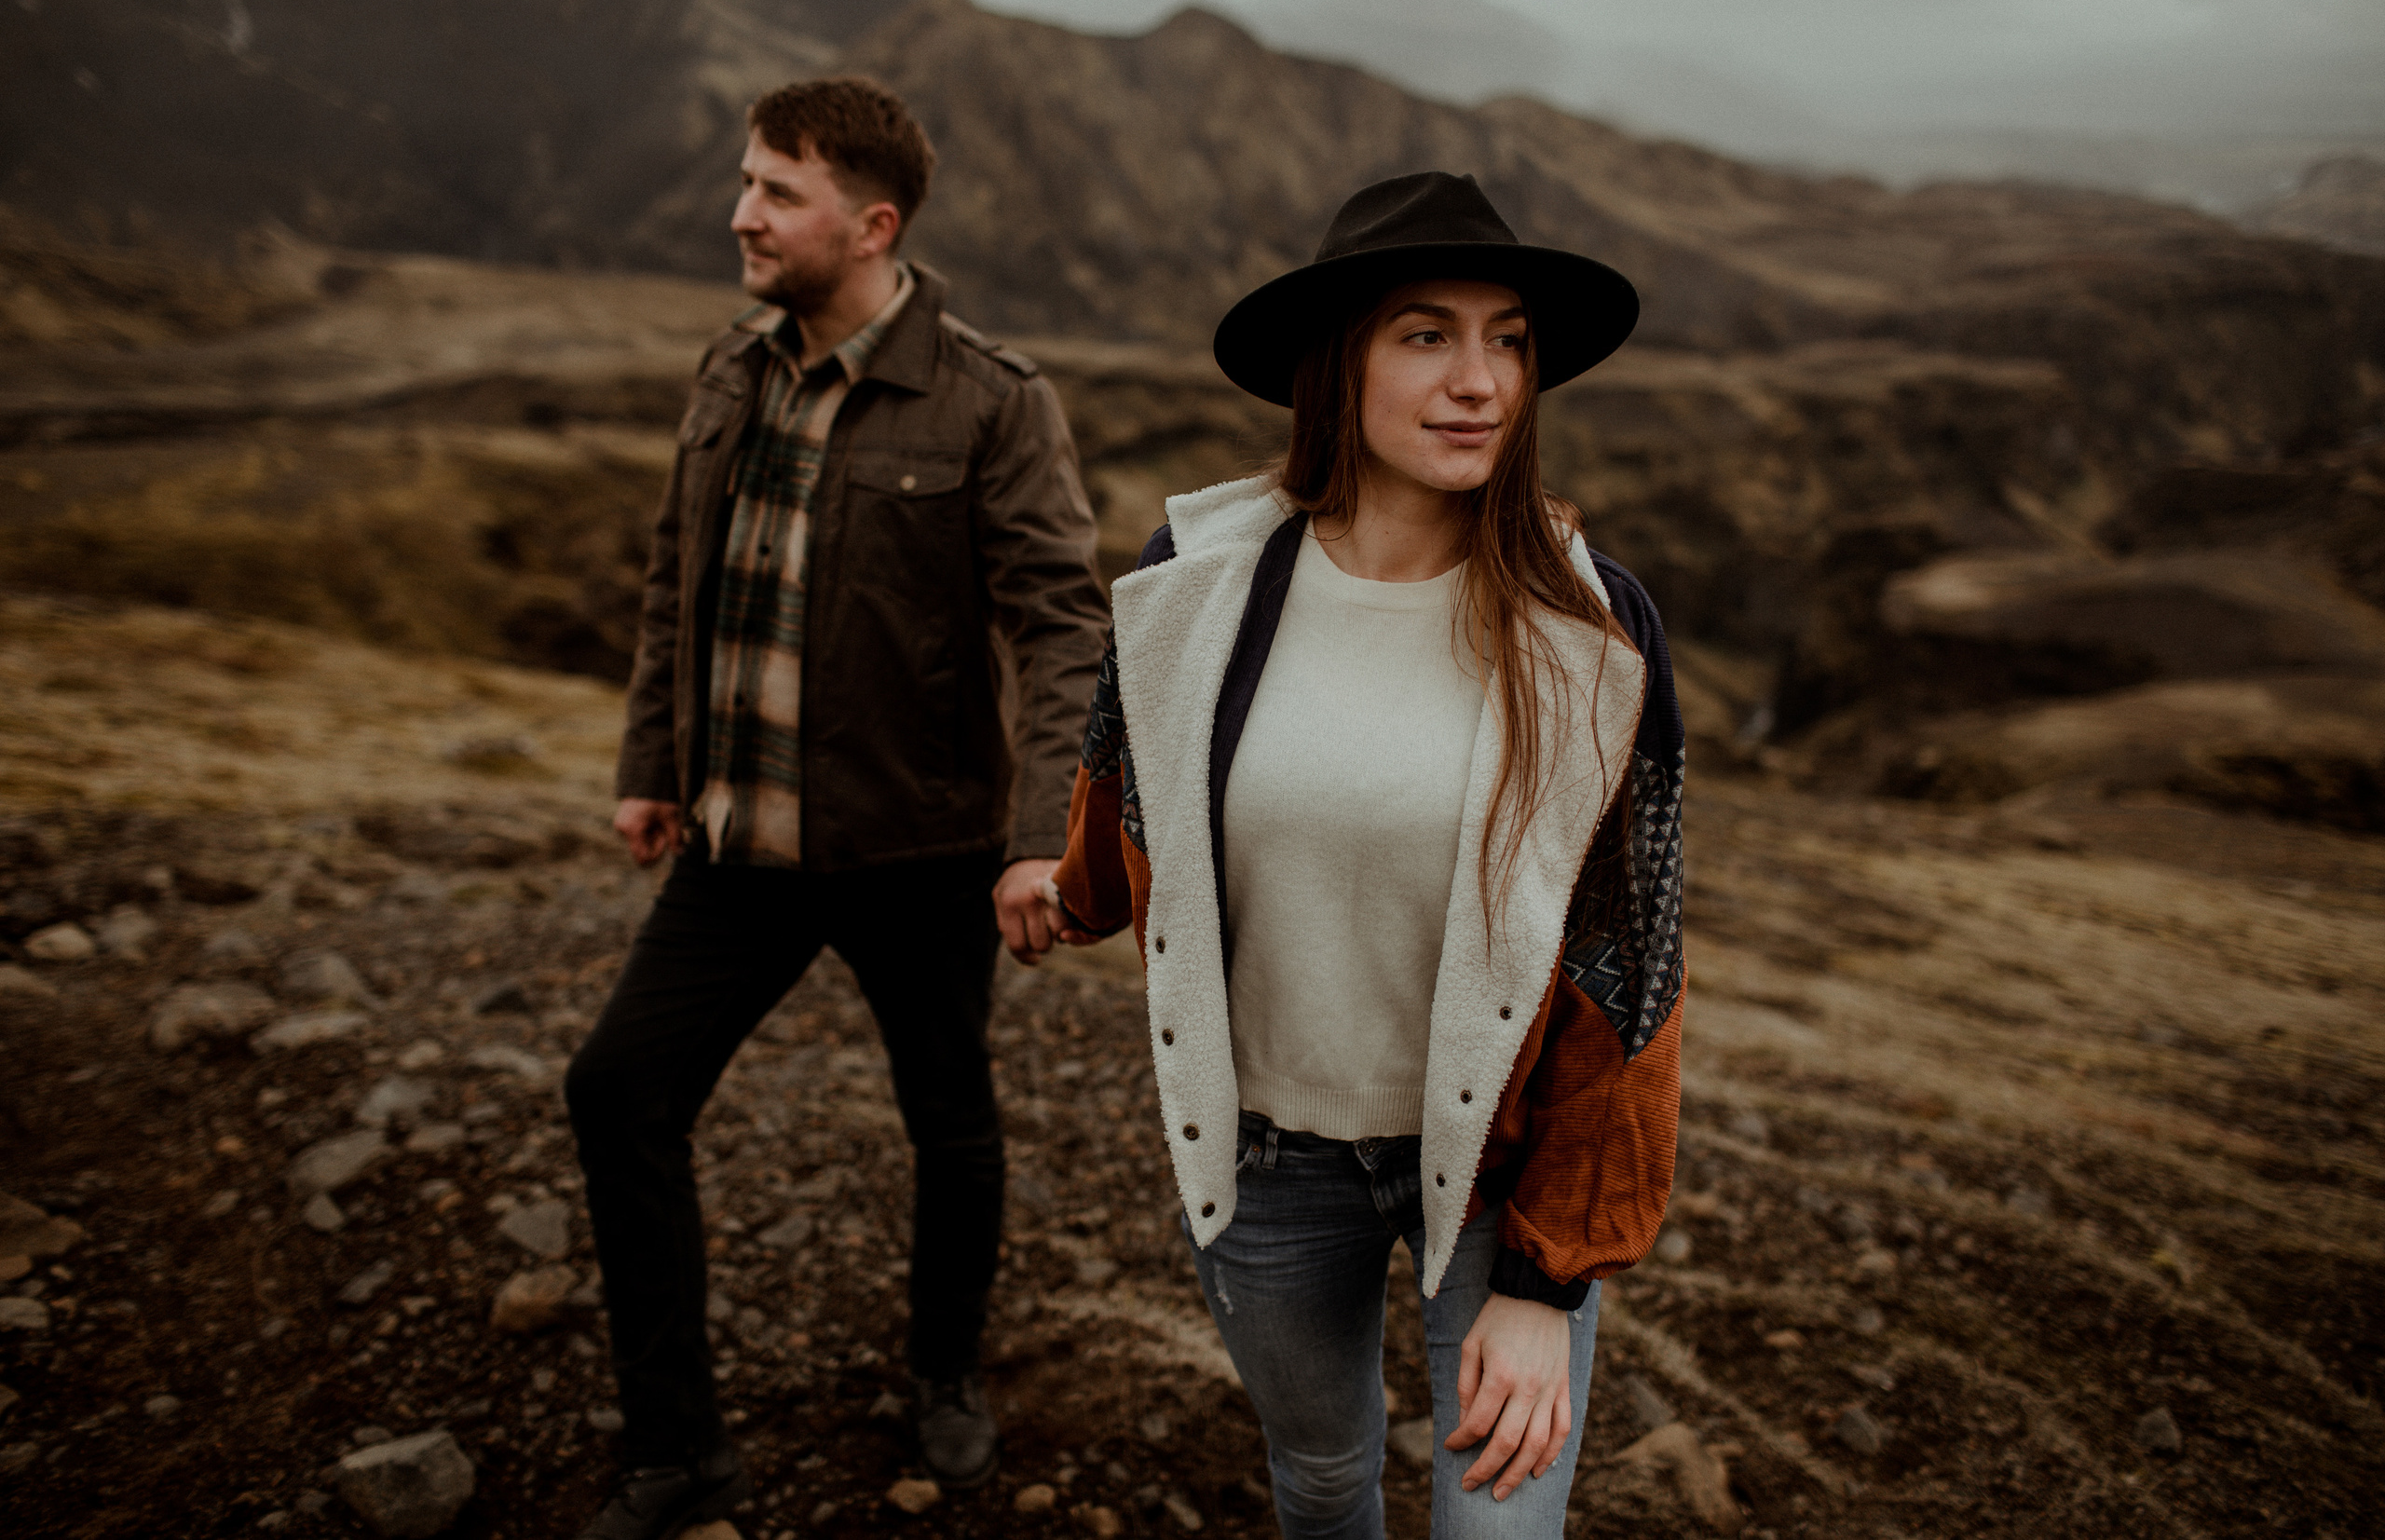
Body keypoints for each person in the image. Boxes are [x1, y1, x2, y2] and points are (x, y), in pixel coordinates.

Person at [1042, 171, 1686, 1539]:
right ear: (1337, 364)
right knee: (1325, 1483)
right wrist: (1065, 890)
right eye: (1425, 334)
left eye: (1509, 339)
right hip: (1268, 1166)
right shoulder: (1199, 579)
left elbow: (1633, 967)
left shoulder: (1593, 623)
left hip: (1498, 1182)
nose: (1480, 382)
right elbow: (1132, 780)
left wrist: (1547, 1284)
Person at [564, 77, 1108, 1540]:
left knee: (950, 1122)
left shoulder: (994, 399)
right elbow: (680, 579)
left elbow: (1063, 623)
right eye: (745, 182)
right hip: (741, 847)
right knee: (617, 1092)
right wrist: (648, 767)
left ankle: (944, 1375)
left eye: (776, 193)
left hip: (921, 851)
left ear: (871, 226)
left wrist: (1036, 841)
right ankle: (678, 1451)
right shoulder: (730, 372)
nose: (740, 213)